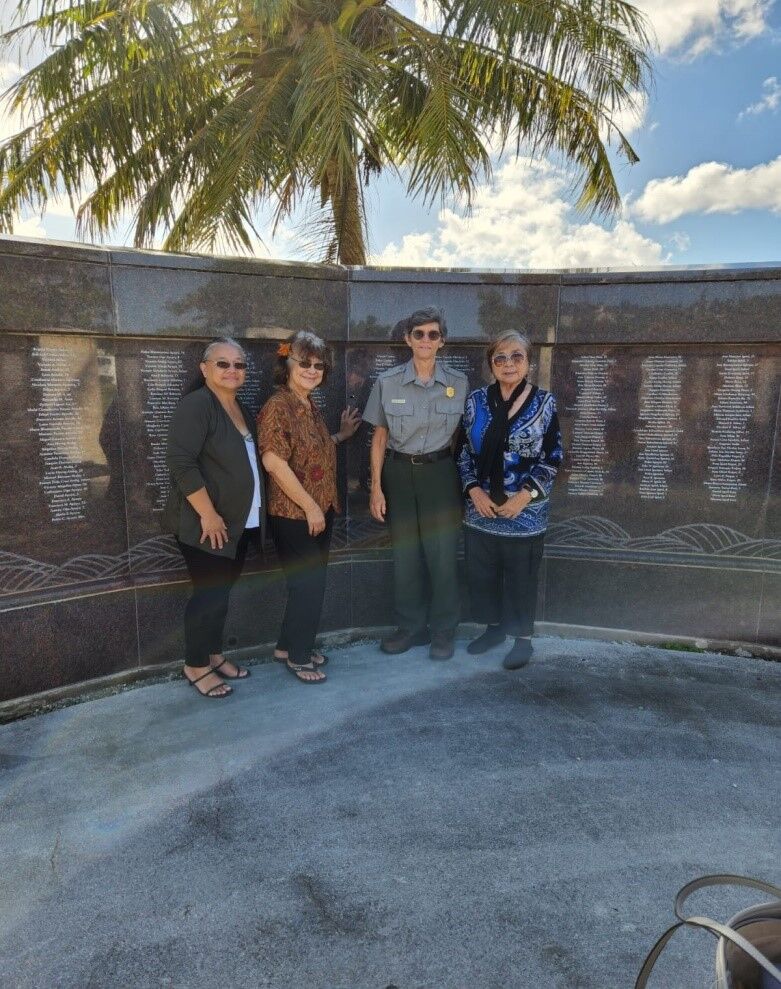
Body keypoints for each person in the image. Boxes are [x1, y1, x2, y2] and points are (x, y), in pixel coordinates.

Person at [364, 307, 468, 660]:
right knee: (405, 556)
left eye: (433, 334)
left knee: (442, 558)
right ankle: (409, 628)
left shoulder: (459, 383)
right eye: (419, 334)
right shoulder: (387, 382)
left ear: (442, 341)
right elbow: (378, 439)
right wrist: (376, 488)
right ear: (408, 339)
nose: (426, 340)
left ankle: (443, 632)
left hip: (440, 474)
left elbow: (460, 439)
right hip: (398, 473)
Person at [165, 337, 266, 699]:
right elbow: (180, 462)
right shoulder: (197, 406)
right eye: (222, 363)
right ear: (205, 369)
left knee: (220, 594)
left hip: (239, 523)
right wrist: (208, 514)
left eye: (238, 364)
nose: (232, 370)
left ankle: (213, 654)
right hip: (207, 526)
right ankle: (195, 664)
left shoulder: (241, 408)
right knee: (208, 596)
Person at [257, 331, 360, 683]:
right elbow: (274, 462)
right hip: (295, 514)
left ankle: (288, 645)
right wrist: (311, 508)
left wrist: (341, 437)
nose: (312, 370)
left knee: (308, 585)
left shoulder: (309, 405)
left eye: (318, 365)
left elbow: (311, 447)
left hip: (317, 511)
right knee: (308, 586)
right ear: (286, 365)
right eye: (304, 363)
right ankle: (299, 657)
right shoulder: (278, 406)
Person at [457, 331, 562, 670]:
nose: (508, 364)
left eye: (516, 356)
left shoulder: (545, 403)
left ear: (528, 362)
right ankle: (493, 630)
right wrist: (474, 490)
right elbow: (461, 451)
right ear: (491, 364)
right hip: (481, 509)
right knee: (483, 575)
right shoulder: (475, 401)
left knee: (521, 576)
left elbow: (553, 457)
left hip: (525, 512)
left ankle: (522, 639)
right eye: (500, 358)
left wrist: (525, 496)